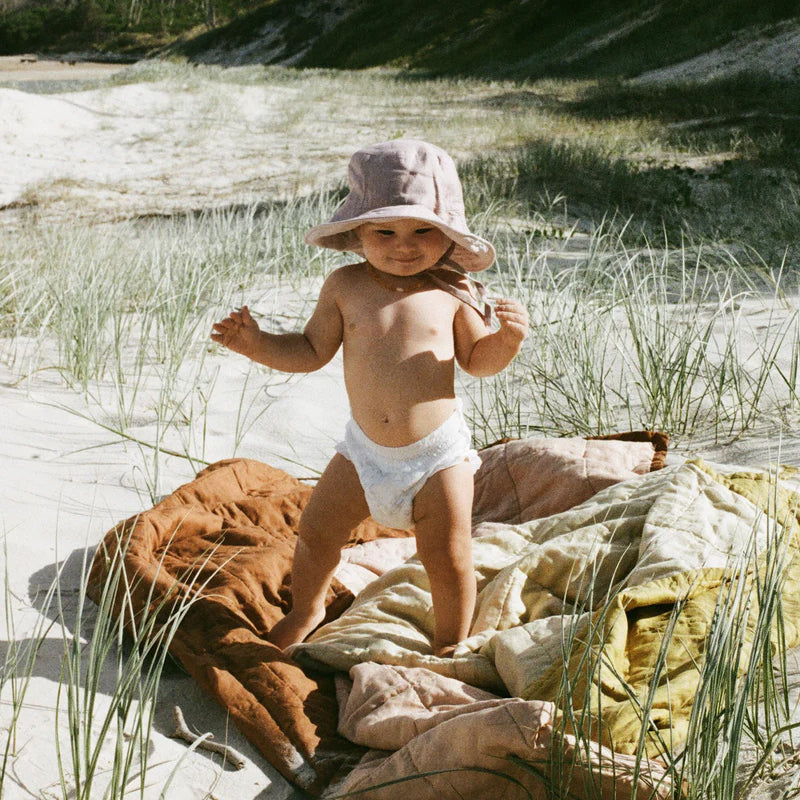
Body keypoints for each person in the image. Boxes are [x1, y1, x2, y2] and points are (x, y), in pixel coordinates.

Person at [211, 139, 528, 657]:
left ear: (448, 234)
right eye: (386, 231)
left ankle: (450, 642)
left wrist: (506, 341)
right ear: (358, 232)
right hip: (363, 452)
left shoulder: (454, 291)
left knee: (448, 555)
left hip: (437, 456)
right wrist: (257, 344)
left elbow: (477, 361)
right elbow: (310, 351)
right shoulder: (344, 285)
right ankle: (306, 610)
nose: (404, 246)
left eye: (422, 230)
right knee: (316, 532)